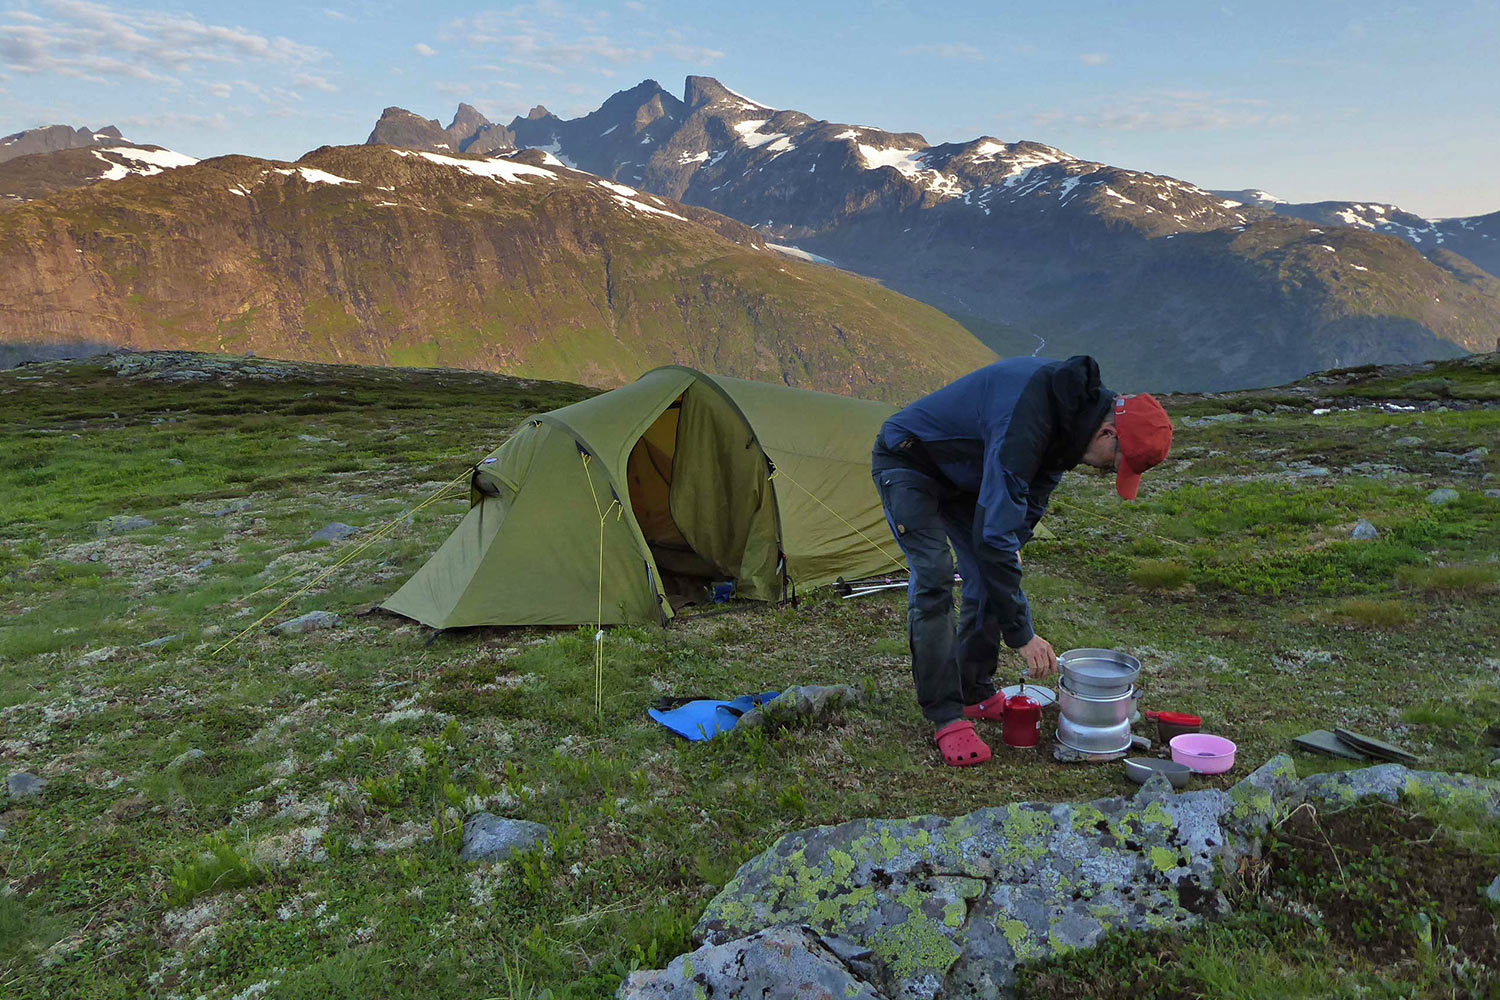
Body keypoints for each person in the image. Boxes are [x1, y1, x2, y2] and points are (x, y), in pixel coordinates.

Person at [871, 355, 1172, 766]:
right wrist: (1022, 634)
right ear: (1106, 433)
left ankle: (974, 691)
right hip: (910, 459)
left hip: (967, 478)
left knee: (989, 571)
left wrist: (1012, 550)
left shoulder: (1068, 431)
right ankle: (946, 716)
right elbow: (996, 535)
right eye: (1113, 465)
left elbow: (1019, 520)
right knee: (936, 574)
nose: (1105, 473)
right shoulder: (1029, 418)